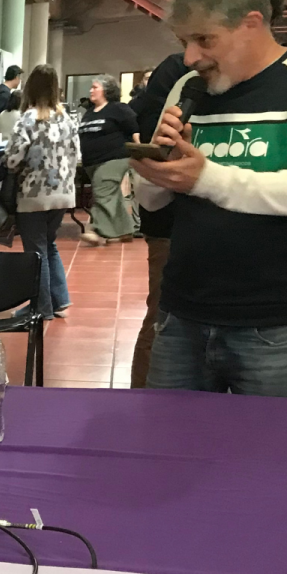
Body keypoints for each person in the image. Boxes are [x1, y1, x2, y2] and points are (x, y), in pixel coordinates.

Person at [133, 0, 287, 397]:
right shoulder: (188, 87)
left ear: (252, 24)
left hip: (273, 323)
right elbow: (153, 201)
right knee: (171, 435)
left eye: (205, 39)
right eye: (184, 42)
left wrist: (204, 178)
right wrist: (157, 172)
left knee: (268, 441)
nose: (190, 57)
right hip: (182, 312)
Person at [127, 51, 188, 386]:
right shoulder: (179, 72)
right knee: (163, 319)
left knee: (163, 318)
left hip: (169, 223)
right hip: (170, 223)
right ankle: (143, 400)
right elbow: (155, 166)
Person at [5, 64, 80, 319]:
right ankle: (60, 300)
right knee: (49, 244)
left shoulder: (28, 119)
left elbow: (13, 158)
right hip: (63, 192)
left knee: (36, 251)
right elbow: (76, 155)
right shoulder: (67, 119)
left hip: (34, 194)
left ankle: (41, 307)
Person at [77, 74, 142, 245]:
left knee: (103, 191)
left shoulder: (119, 109)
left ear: (106, 90)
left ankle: (95, 230)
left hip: (115, 158)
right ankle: (125, 230)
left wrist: (141, 152)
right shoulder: (90, 112)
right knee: (112, 193)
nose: (91, 90)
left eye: (95, 87)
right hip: (92, 162)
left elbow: (134, 130)